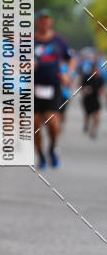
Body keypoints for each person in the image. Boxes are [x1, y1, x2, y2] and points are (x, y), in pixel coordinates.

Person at [33, 9, 75, 168]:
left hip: (53, 86)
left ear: (50, 22)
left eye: (47, 19)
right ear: (37, 22)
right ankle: (41, 155)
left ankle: (52, 148)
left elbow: (71, 59)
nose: (44, 22)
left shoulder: (58, 41)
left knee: (52, 122)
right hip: (32, 87)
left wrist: (67, 75)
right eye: (41, 19)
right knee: (34, 124)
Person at [81, 59, 103, 138]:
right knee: (87, 114)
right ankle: (86, 124)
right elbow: (81, 87)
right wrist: (85, 91)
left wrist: (101, 93)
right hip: (87, 99)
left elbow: (102, 89)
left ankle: (94, 129)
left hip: (95, 98)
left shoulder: (100, 79)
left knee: (96, 114)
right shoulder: (86, 77)